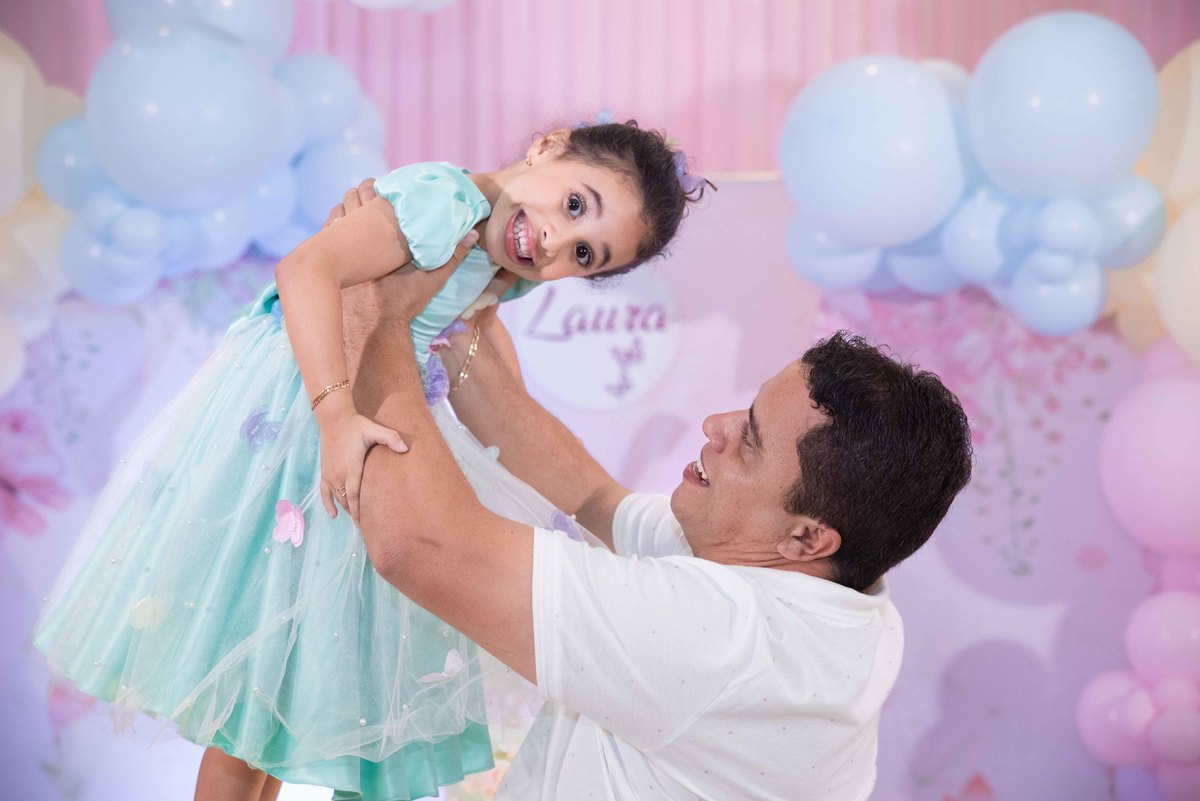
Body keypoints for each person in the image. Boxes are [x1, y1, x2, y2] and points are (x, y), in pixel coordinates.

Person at [32, 120, 706, 801]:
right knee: (254, 698)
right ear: (548, 147)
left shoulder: (509, 266)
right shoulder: (444, 201)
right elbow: (306, 269)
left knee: (291, 687)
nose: (557, 240)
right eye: (574, 203)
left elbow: (472, 336)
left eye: (585, 254)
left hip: (371, 424)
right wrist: (333, 415)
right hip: (302, 417)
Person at [333, 241, 973, 800]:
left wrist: (379, 319)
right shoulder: (835, 590)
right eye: (745, 411)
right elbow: (585, 492)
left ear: (806, 537)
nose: (716, 427)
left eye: (749, 442)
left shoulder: (725, 642)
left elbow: (421, 546)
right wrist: (459, 315)